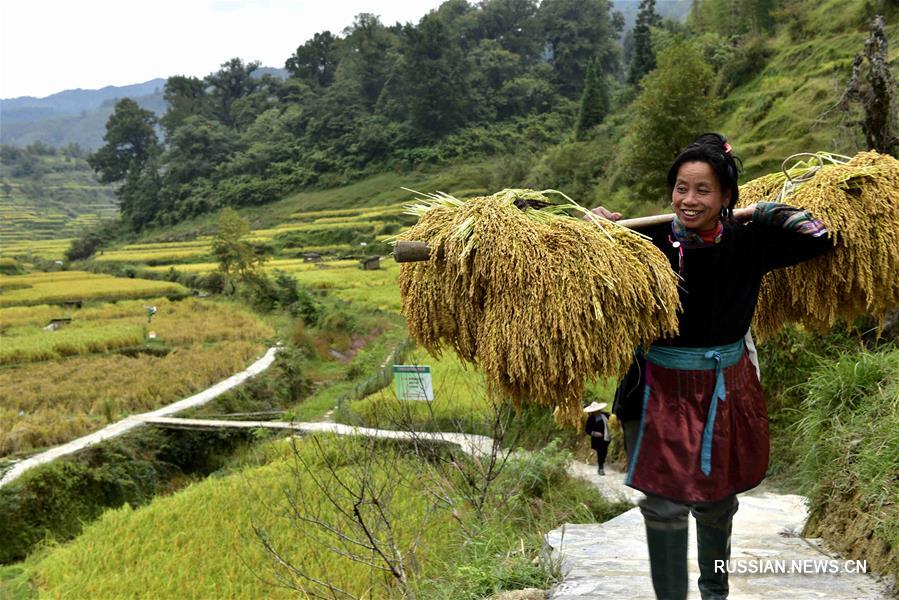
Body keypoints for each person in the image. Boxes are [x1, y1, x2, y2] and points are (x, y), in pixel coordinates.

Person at [590, 133, 832, 600]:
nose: (689, 199)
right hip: (656, 385)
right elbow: (574, 256)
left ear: (725, 197)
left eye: (703, 190)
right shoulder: (645, 242)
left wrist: (773, 212)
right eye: (681, 188)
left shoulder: (750, 241)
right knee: (663, 506)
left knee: (717, 503)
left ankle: (714, 591)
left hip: (725, 386)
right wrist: (593, 228)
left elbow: (819, 238)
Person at [584, 401, 611, 475]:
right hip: (597, 439)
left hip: (606, 437)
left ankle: (601, 464)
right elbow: (587, 430)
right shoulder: (591, 419)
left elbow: (612, 421)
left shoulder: (605, 415)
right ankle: (601, 468)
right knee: (600, 452)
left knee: (604, 452)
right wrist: (595, 433)